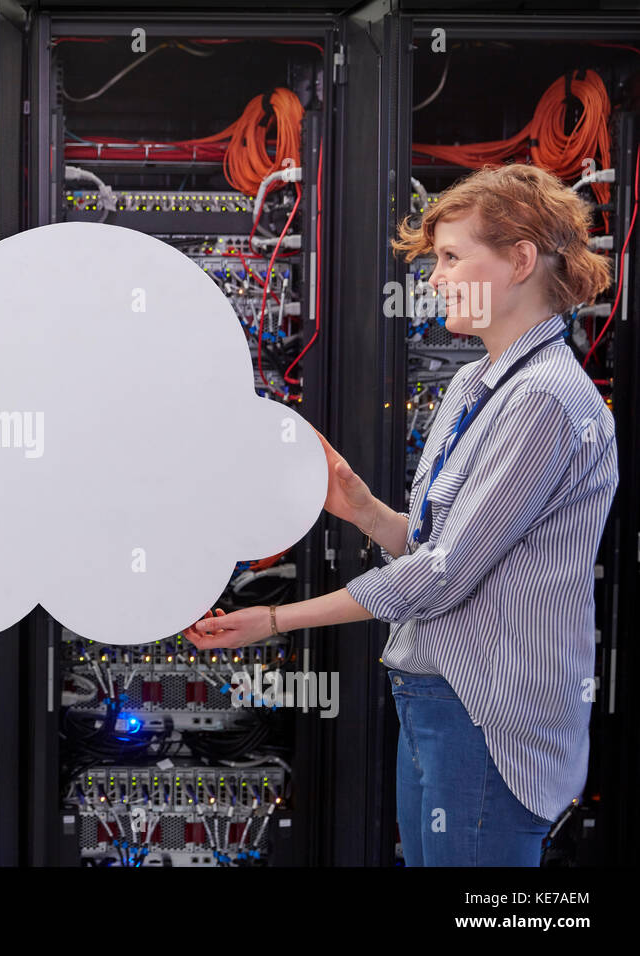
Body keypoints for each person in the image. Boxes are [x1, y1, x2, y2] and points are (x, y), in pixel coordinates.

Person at [187, 162, 617, 866]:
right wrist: (364, 510)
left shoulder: (542, 400)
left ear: (519, 261)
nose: (434, 277)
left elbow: (444, 574)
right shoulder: (476, 383)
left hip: (488, 715)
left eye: (451, 258)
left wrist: (275, 620)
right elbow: (437, 546)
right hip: (435, 698)